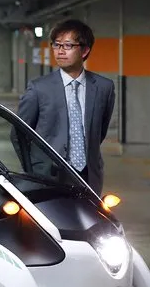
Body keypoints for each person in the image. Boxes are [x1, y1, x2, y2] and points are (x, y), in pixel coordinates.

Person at [14, 19, 115, 195]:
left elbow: (99, 131)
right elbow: (18, 133)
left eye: (68, 45)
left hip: (89, 175)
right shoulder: (39, 88)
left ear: (85, 50)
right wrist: (33, 169)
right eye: (56, 45)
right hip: (48, 175)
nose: (60, 51)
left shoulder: (104, 87)